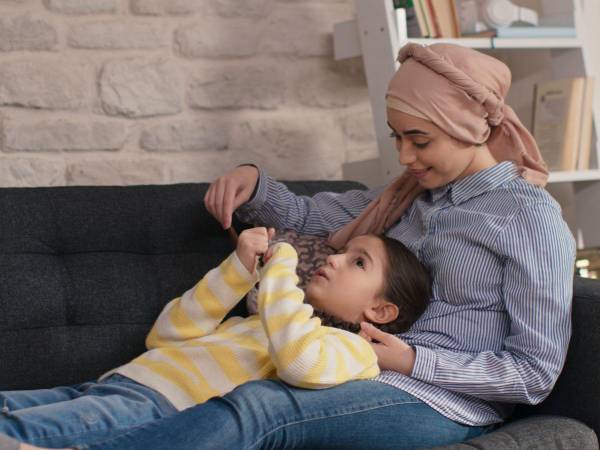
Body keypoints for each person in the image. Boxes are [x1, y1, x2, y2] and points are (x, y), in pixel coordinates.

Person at [10, 42, 576, 450]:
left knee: (261, 406)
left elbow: (533, 372)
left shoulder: (527, 218)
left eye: (419, 140)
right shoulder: (404, 199)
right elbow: (306, 214)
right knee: (196, 387)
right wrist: (253, 181)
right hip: (355, 368)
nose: (404, 157)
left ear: (470, 129)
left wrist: (407, 357)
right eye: (397, 137)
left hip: (444, 399)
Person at [0, 225, 431, 450]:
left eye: (358, 263)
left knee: (21, 432)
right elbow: (166, 335)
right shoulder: (259, 320)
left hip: (158, 409)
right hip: (114, 383)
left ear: (380, 310)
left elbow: (300, 363)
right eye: (342, 251)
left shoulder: (352, 350)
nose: (335, 260)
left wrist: (282, 268)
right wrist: (237, 271)